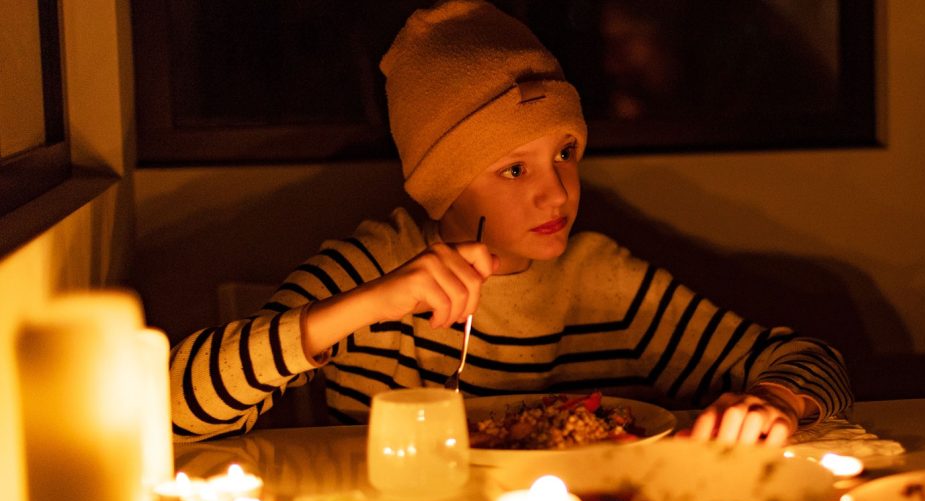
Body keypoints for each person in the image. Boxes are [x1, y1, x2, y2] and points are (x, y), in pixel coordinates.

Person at [169, 0, 851, 448]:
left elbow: (813, 361)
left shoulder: (602, 282)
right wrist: (362, 308)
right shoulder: (370, 268)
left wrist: (774, 400)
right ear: (443, 185)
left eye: (565, 154)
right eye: (514, 169)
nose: (556, 193)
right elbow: (171, 406)